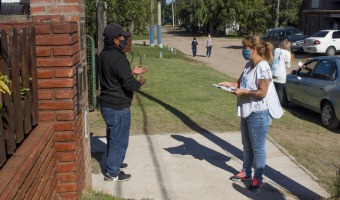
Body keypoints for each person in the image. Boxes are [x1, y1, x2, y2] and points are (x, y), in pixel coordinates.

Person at [218, 36, 283, 191]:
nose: (243, 51)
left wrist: (244, 92)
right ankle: (246, 172)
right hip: (247, 110)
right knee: (247, 145)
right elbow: (239, 84)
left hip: (259, 113)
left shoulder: (263, 67)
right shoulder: (248, 65)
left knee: (258, 148)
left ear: (253, 49)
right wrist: (229, 85)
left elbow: (262, 92)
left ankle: (258, 178)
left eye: (245, 47)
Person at [98, 23, 149, 182]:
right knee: (119, 141)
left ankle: (114, 162)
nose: (125, 40)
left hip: (107, 104)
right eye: (122, 37)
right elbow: (130, 85)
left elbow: (115, 75)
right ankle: (112, 172)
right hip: (118, 107)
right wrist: (139, 82)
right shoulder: (119, 58)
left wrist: (131, 71)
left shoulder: (103, 55)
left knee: (113, 137)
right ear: (114, 40)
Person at [271, 39, 292, 105]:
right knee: (279, 91)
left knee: (272, 90)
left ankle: (271, 104)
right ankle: (278, 106)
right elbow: (287, 66)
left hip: (273, 72)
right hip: (281, 74)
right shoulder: (287, 53)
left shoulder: (276, 50)